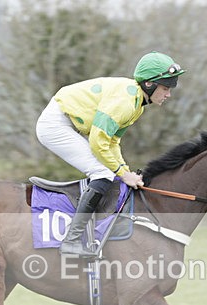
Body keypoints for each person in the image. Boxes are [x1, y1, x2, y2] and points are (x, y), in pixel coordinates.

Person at [35, 51, 185, 256]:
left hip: (67, 124)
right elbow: (98, 142)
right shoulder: (125, 102)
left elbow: (112, 142)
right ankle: (71, 241)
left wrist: (125, 171)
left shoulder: (136, 105)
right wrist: (123, 174)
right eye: (166, 88)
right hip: (55, 125)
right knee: (102, 173)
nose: (168, 94)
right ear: (149, 84)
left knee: (109, 171)